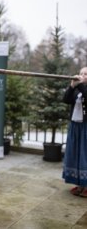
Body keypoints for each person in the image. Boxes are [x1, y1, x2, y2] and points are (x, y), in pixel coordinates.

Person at [62, 66, 87, 198]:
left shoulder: (83, 88)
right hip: (75, 126)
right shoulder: (78, 89)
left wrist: (81, 85)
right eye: (81, 73)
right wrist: (72, 86)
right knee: (76, 154)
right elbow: (66, 100)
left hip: (86, 127)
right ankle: (80, 184)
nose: (82, 76)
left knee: (85, 155)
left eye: (86, 74)